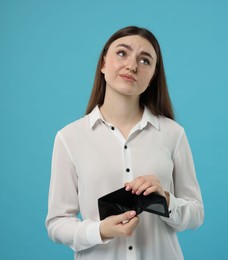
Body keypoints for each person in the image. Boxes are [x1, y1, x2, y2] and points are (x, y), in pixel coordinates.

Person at [45, 26, 204, 260]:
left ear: (152, 77)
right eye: (122, 53)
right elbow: (57, 223)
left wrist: (165, 199)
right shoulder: (69, 137)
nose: (132, 65)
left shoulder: (173, 134)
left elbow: (196, 213)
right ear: (103, 63)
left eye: (145, 60)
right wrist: (100, 230)